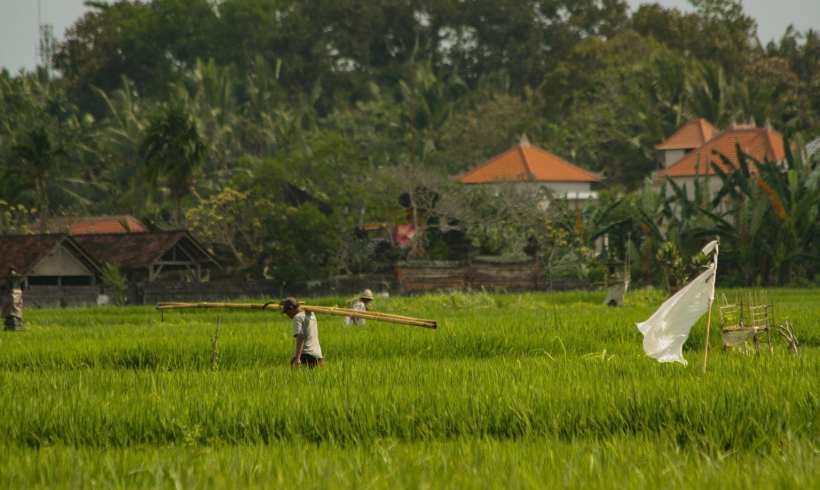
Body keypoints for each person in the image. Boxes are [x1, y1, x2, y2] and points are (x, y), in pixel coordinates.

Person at [280, 297, 323, 368]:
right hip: (318, 355)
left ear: (291, 309)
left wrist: (297, 359)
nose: (287, 315)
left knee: (294, 373)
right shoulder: (311, 314)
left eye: (286, 312)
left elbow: (300, 337)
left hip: (306, 355)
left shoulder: (297, 318)